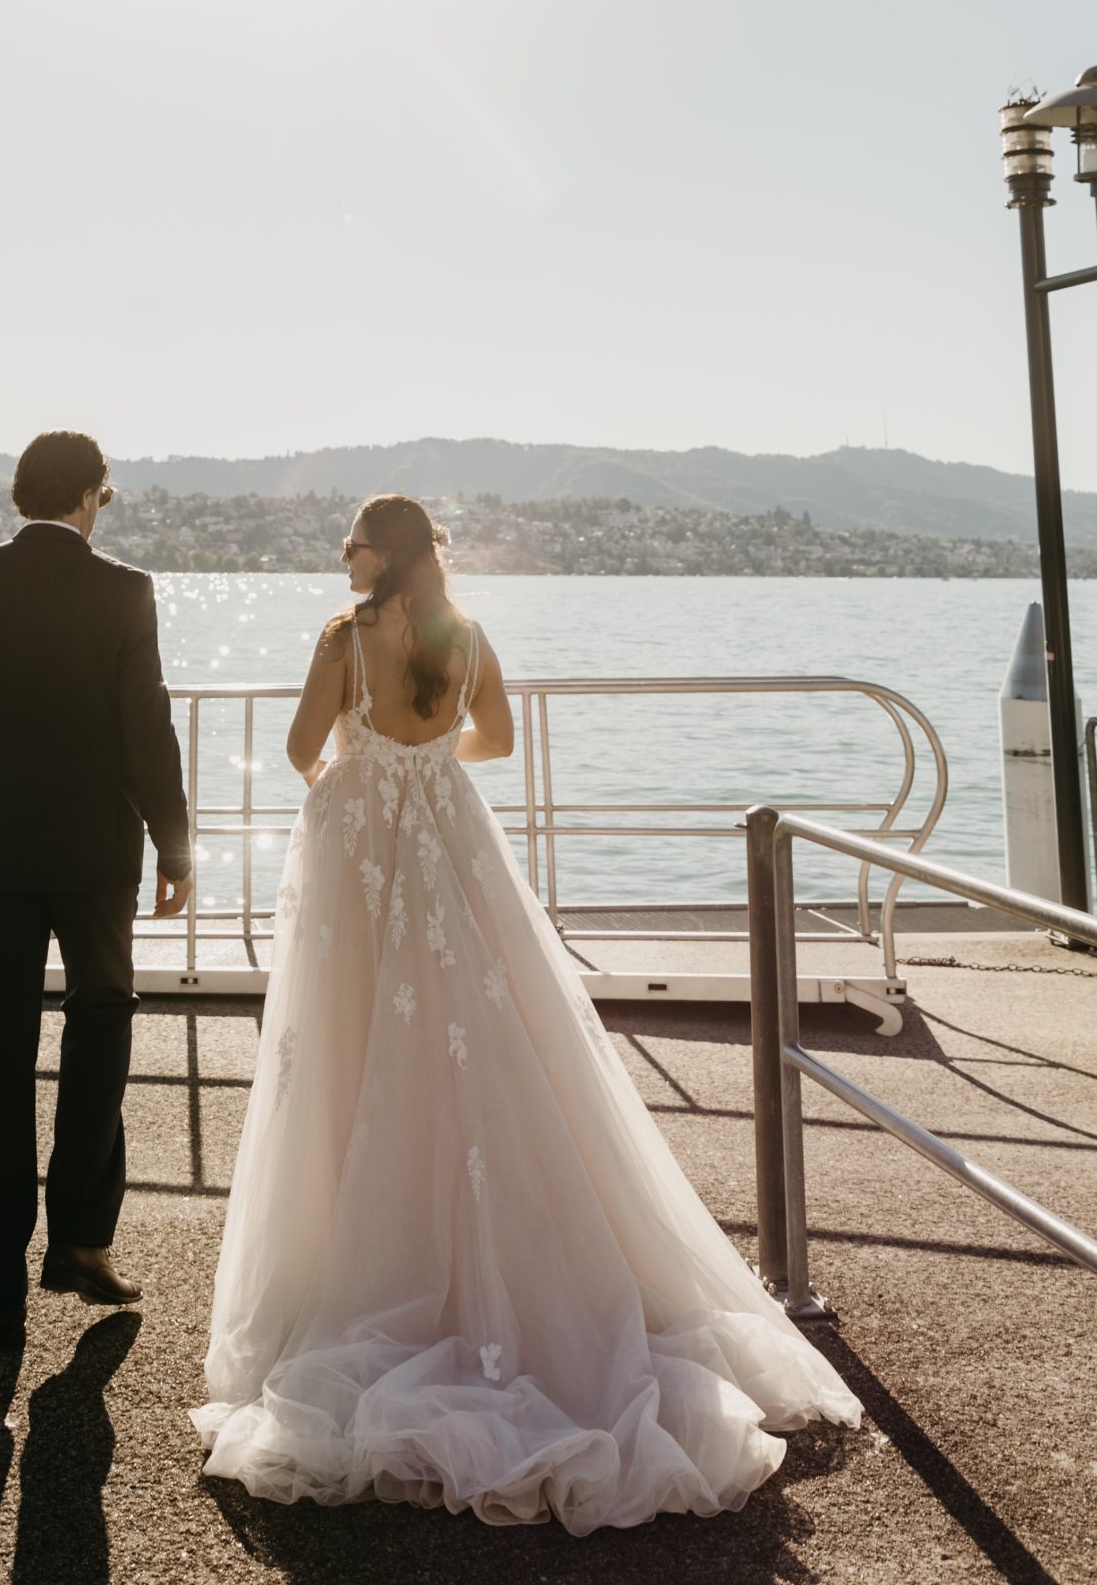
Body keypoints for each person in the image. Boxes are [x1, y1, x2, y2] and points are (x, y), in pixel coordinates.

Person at [192, 493, 858, 1533]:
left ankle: (368, 1264)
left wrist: (364, 773)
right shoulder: (469, 637)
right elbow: (494, 739)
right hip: (451, 845)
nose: (343, 556)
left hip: (363, 855)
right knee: (489, 1036)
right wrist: (428, 762)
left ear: (384, 551)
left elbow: (295, 748)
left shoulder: (345, 636)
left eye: (353, 541)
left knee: (351, 1051)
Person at [0, 428, 193, 1347]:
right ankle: (80, 1245)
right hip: (96, 850)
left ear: (20, 494)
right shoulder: (124, 590)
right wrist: (177, 847)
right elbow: (145, 729)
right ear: (94, 495)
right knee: (99, 1028)